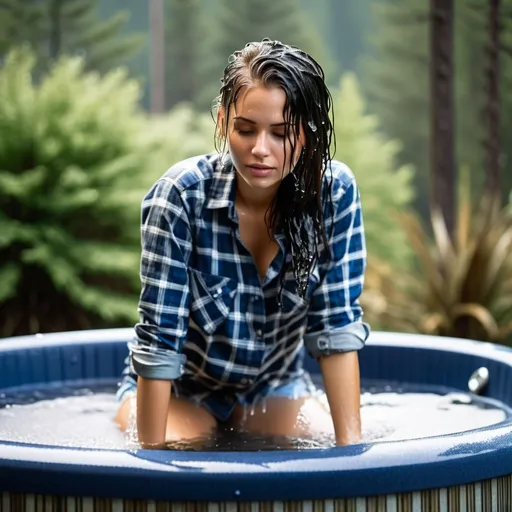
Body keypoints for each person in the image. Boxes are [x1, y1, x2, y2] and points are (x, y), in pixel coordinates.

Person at [115, 39, 370, 449]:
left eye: (281, 133)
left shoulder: (334, 195)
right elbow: (159, 343)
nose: (260, 150)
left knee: (320, 443)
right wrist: (152, 461)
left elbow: (335, 328)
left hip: (274, 387)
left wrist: (353, 456)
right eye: (245, 129)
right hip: (183, 390)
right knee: (183, 447)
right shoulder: (180, 197)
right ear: (222, 123)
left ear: (306, 134)